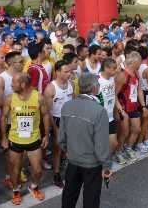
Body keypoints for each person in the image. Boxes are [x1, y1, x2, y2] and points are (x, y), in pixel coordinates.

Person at [59, 73, 114, 208]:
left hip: (72, 160)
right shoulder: (99, 111)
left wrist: (68, 151)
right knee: (91, 198)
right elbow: (101, 144)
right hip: (91, 163)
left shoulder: (67, 106)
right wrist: (106, 165)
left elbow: (61, 138)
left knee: (69, 195)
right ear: (94, 88)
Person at [0, 73, 50, 205]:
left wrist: (46, 135)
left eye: (14, 83)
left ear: (22, 84)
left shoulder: (38, 97)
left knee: (38, 170)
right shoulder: (10, 98)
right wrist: (4, 138)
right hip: (15, 140)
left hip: (33, 139)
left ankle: (34, 187)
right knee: (15, 170)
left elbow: (45, 115)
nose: (11, 85)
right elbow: (3, 118)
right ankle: (16, 191)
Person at [43, 60, 74, 188]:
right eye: (66, 72)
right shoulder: (51, 88)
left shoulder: (70, 84)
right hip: (57, 120)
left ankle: (68, 167)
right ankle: (56, 174)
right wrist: (54, 128)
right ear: (57, 72)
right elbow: (47, 112)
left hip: (69, 119)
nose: (69, 74)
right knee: (57, 149)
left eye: (70, 71)